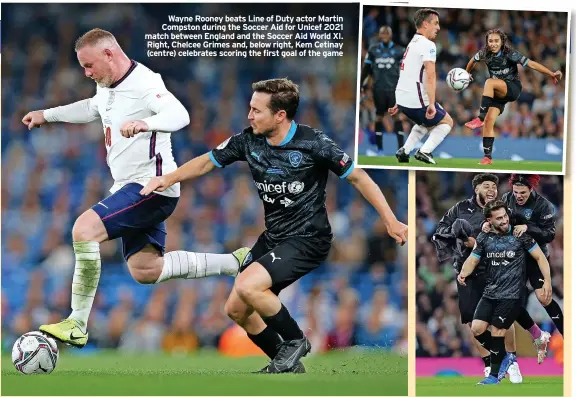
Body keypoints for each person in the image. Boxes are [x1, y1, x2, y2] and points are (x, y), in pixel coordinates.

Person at [140, 78, 408, 373]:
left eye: (256, 110)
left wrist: (390, 220)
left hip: (309, 238)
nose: (249, 115)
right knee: (236, 308)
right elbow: (207, 161)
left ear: (280, 115)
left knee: (247, 285)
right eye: (250, 108)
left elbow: (359, 177)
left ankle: (296, 341)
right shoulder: (248, 140)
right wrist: (169, 178)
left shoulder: (314, 143)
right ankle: (286, 362)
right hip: (274, 238)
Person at [22, 28, 248, 348]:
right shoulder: (107, 87)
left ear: (109, 55)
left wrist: (148, 123)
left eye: (89, 66)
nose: (86, 73)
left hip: (150, 187)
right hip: (130, 188)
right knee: (146, 270)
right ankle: (234, 262)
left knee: (84, 229)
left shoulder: (146, 83)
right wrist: (48, 114)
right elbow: (91, 108)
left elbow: (179, 115)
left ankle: (77, 322)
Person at [432, 174, 520, 383]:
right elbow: (441, 231)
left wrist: (479, 243)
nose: (491, 190)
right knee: (474, 322)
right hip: (468, 273)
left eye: (494, 187)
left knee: (502, 318)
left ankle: (513, 362)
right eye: (486, 186)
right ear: (476, 189)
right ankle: (491, 364)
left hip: (495, 271)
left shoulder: (501, 210)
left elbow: (511, 237)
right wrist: (460, 237)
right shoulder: (460, 209)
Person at [458, 200, 552, 385]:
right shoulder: (484, 238)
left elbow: (540, 257)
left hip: (514, 293)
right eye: (498, 218)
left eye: (505, 216)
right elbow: (473, 259)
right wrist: (463, 273)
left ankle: (494, 376)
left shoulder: (520, 236)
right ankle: (510, 353)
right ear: (489, 220)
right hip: (491, 292)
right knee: (476, 329)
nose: (504, 220)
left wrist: (547, 281)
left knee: (498, 330)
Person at [464, 29, 563, 165]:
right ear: (487, 42)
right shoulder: (483, 53)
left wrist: (551, 73)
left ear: (502, 42)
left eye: (496, 41)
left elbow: (531, 64)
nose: (493, 44)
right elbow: (472, 61)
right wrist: (466, 73)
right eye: (490, 41)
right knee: (489, 120)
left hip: (512, 88)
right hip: (498, 93)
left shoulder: (510, 53)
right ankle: (488, 157)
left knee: (489, 82)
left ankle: (479, 118)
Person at [500, 174, 564, 336]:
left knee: (544, 297)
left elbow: (549, 235)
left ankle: (566, 333)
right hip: (514, 255)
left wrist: (528, 228)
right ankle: (534, 335)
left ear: (531, 188)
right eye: (516, 192)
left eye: (523, 192)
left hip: (537, 255)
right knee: (509, 298)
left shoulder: (544, 206)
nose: (518, 196)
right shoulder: (507, 199)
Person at [389, 8, 453, 165]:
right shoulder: (428, 44)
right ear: (425, 24)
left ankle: (405, 150)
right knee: (447, 122)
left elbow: (406, 72)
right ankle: (424, 151)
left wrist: (399, 101)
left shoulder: (412, 43)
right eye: (435, 23)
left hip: (403, 97)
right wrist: (431, 103)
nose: (438, 28)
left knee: (424, 123)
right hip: (416, 98)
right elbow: (430, 75)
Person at [360, 25, 406, 154]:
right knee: (379, 117)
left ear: (390, 35)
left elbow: (405, 70)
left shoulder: (399, 51)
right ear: (379, 35)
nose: (385, 35)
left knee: (397, 117)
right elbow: (366, 70)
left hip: (394, 90)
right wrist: (361, 85)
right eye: (382, 33)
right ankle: (379, 149)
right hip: (378, 89)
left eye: (387, 33)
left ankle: (401, 148)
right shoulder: (373, 50)